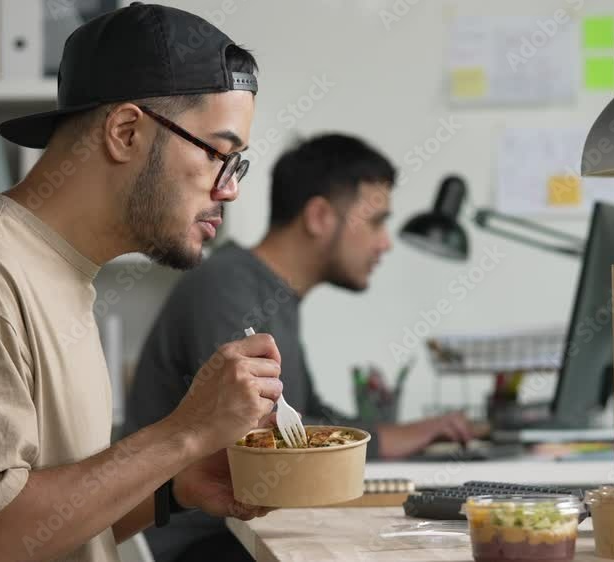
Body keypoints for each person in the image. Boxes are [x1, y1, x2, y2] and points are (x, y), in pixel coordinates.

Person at [0, 5, 281, 562]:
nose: (229, 189)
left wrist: (174, 486)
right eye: (220, 154)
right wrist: (184, 433)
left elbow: (41, 529)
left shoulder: (56, 269)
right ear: (126, 132)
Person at [123, 133, 476, 562]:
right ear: (320, 216)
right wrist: (395, 438)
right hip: (201, 543)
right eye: (377, 221)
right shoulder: (226, 289)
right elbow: (265, 430)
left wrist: (407, 434)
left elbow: (307, 413)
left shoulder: (270, 295)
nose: (385, 243)